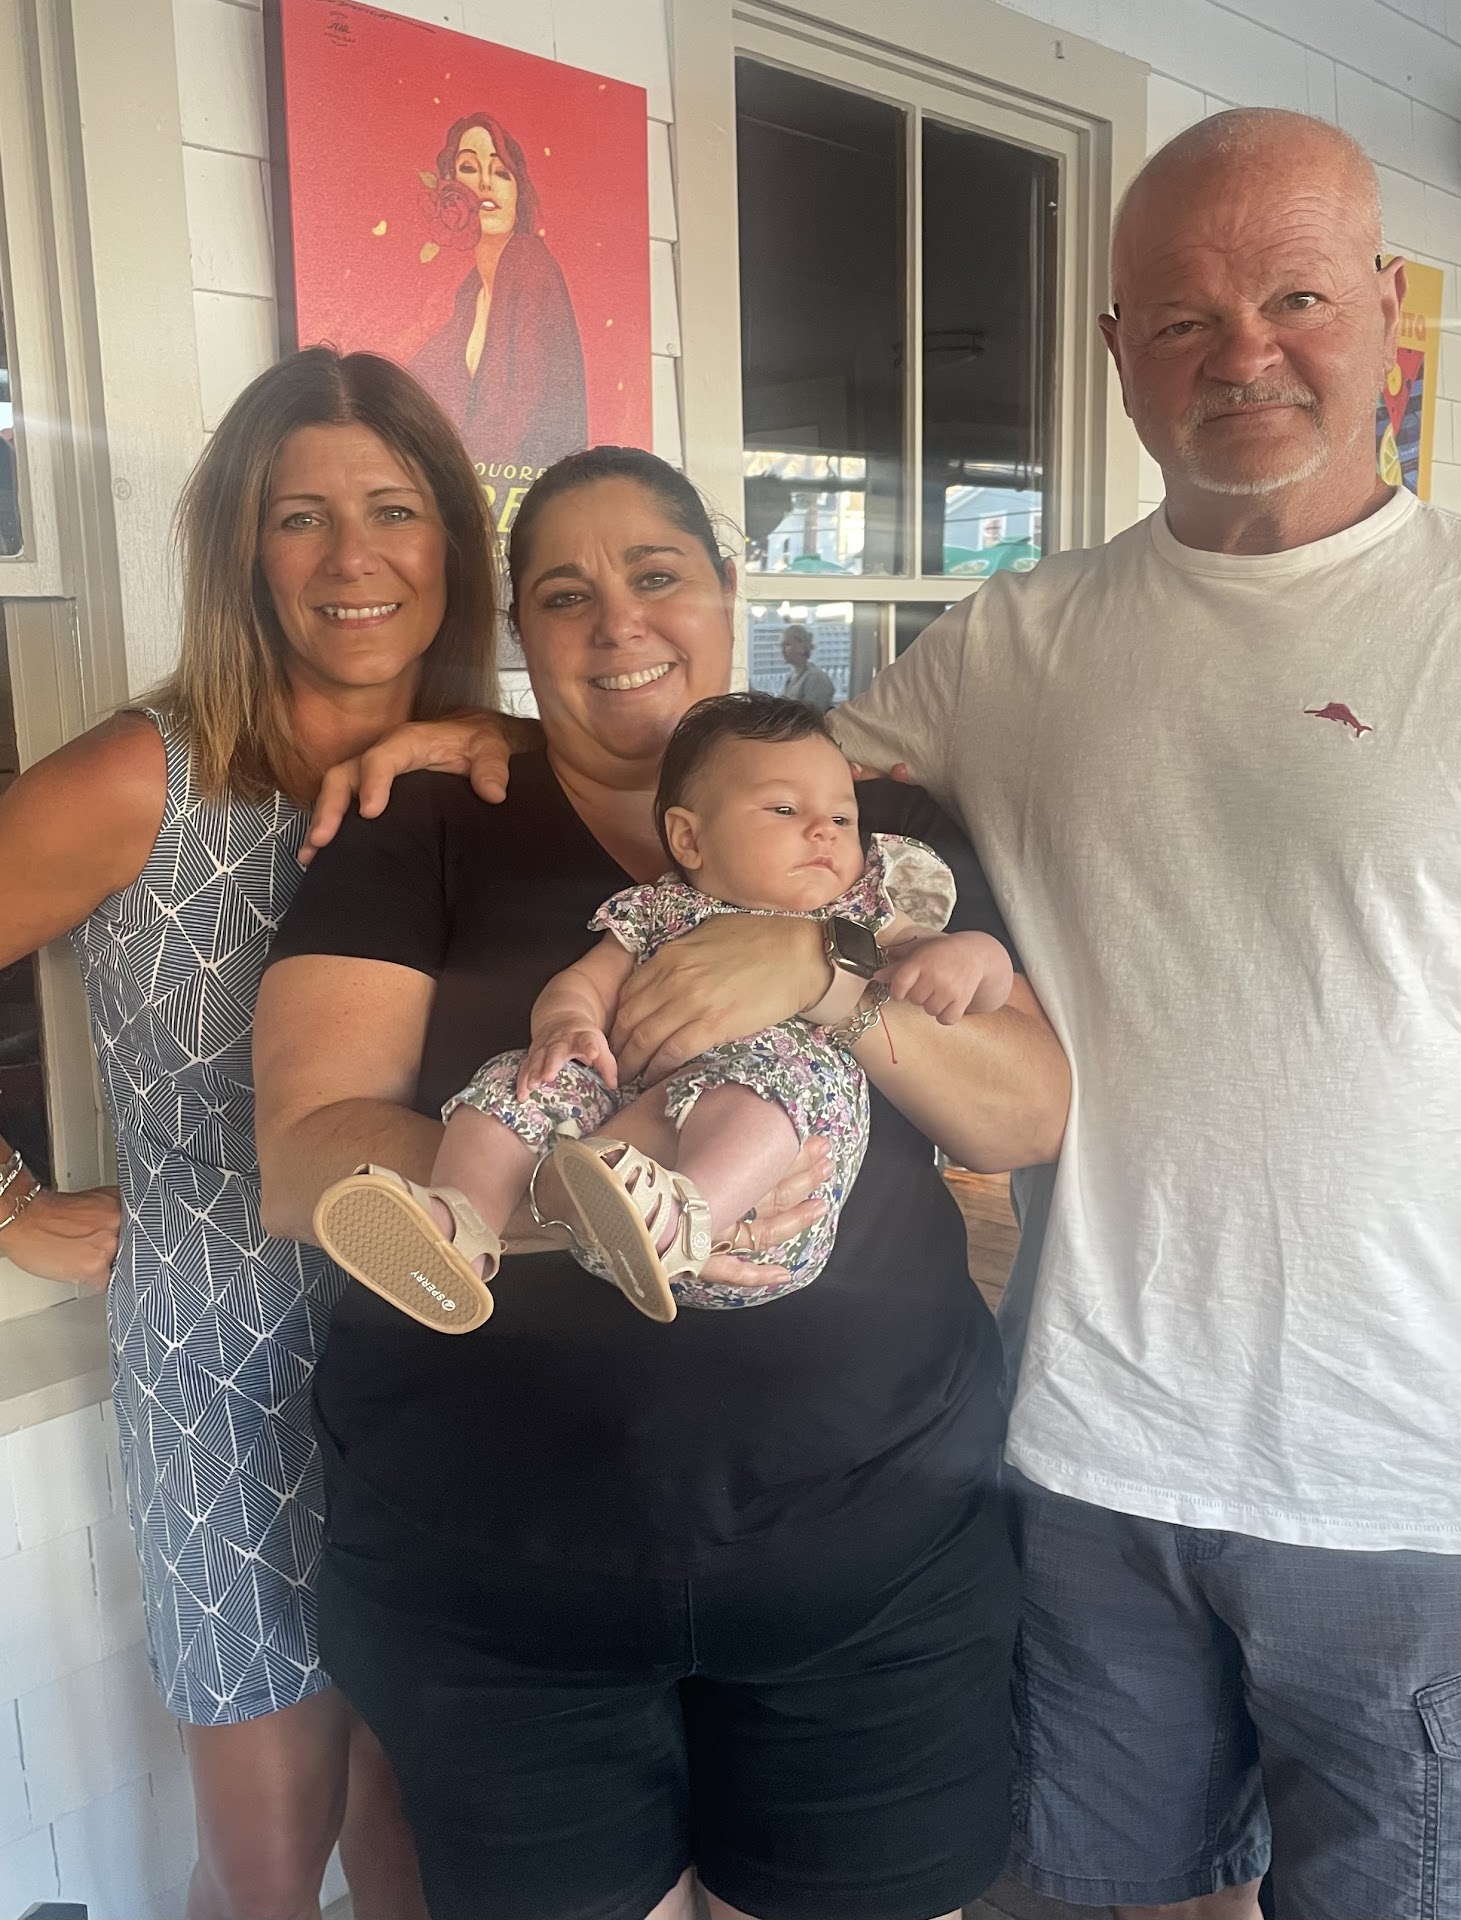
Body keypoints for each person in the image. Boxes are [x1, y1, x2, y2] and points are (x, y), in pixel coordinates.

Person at [833, 108, 1461, 1920]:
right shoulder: (1012, 646)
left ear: (1389, 307)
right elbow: (744, 806)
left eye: (1295, 297)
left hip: (1423, 1516)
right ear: (1115, 351)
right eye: (1182, 317)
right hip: (1085, 1481)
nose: (1244, 354)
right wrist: (469, 749)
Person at [252, 443, 1069, 1920]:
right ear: (519, 630)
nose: (618, 623)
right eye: (564, 595)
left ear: (726, 591)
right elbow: (305, 1156)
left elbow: (1023, 1112)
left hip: (871, 1551)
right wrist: (600, 1193)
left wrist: (821, 979)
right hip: (498, 1575)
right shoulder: (426, 819)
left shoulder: (871, 841)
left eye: (656, 575)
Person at [0, 344, 524, 1920]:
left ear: (452, 543)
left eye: (393, 509)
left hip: (453, 1348)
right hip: (226, 1370)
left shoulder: (501, 771)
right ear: (244, 548)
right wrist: (7, 1206)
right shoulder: (144, 778)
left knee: (428, 1836)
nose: (353, 557)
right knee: (269, 1869)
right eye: (302, 517)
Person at [312, 690, 1016, 1326]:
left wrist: (968, 958)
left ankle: (681, 1214)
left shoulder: (861, 912)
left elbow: (972, 970)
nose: (824, 831)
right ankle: (456, 1229)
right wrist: (566, 1027)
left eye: (841, 816)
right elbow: (585, 983)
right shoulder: (660, 908)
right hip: (617, 1146)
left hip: (756, 1220)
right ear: (689, 838)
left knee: (763, 1090)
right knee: (515, 1080)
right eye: (784, 810)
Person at [409, 113, 588, 485]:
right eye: (469, 168)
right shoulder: (470, 295)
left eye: (502, 172)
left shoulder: (528, 264)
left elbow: (520, 418)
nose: (486, 183)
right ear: (448, 189)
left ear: (518, 191)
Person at [778, 621, 834, 710]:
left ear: (802, 647)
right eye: (781, 645)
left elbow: (814, 713)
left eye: (787, 645)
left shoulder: (816, 678)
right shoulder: (792, 676)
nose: (782, 650)